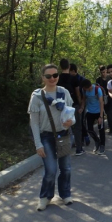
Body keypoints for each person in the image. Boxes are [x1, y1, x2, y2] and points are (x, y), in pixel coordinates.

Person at [28, 64, 75, 211]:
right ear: (43, 78)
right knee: (51, 170)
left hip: (64, 135)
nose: (52, 78)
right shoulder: (37, 97)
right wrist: (38, 144)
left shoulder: (64, 92)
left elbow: (71, 116)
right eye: (48, 76)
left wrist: (71, 122)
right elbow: (34, 123)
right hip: (46, 137)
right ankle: (45, 197)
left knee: (66, 168)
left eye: (55, 75)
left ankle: (65, 194)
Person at [57, 59, 86, 156]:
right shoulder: (74, 78)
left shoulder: (57, 78)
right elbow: (78, 93)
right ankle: (79, 148)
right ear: (69, 66)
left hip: (61, 107)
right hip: (73, 106)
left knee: (64, 127)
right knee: (77, 127)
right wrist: (80, 105)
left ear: (60, 67)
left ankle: (63, 149)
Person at [79, 79, 105, 154]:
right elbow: (84, 100)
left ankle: (102, 146)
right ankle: (97, 141)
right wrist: (82, 108)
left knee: (101, 129)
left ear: (86, 87)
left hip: (98, 112)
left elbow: (101, 103)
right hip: (90, 111)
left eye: (83, 87)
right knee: (89, 129)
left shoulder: (97, 90)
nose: (83, 89)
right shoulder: (85, 91)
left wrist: (101, 116)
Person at [96, 66, 112, 137]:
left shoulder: (110, 78)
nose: (103, 74)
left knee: (110, 114)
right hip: (102, 99)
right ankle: (106, 129)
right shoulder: (98, 80)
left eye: (104, 72)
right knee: (104, 114)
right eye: (102, 72)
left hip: (110, 98)